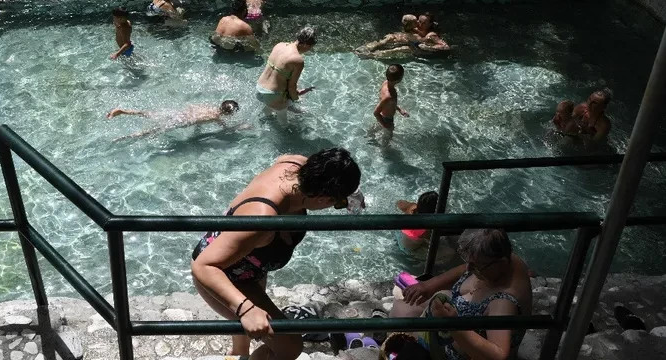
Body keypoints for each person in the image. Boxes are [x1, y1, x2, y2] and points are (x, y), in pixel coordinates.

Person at [191, 148, 361, 360]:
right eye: (338, 203)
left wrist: (351, 194)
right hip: (222, 274)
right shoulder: (262, 219)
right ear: (323, 199)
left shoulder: (296, 164)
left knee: (251, 332)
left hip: (248, 264)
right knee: (289, 347)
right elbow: (203, 265)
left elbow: (285, 159)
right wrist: (246, 309)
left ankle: (237, 353)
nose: (339, 205)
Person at [392, 229, 532, 360]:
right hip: (453, 322)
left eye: (476, 266)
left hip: (453, 349)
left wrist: (453, 325)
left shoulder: (503, 303)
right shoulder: (504, 258)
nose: (469, 269)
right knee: (403, 306)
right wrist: (429, 285)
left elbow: (499, 355)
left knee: (402, 316)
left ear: (501, 263)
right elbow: (465, 269)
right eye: (468, 262)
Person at [256, 27, 317, 123]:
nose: (309, 50)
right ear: (305, 44)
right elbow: (291, 86)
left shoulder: (279, 45)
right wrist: (295, 99)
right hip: (273, 94)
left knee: (271, 106)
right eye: (310, 47)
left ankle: (264, 118)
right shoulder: (298, 60)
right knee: (283, 124)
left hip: (260, 88)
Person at [107, 100, 240, 140]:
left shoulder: (209, 107)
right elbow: (226, 129)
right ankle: (123, 138)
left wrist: (197, 126)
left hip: (178, 113)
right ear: (228, 114)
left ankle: (123, 111)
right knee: (153, 131)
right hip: (181, 121)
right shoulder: (216, 117)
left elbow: (192, 107)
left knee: (149, 114)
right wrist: (240, 127)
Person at [396, 191, 439, 256]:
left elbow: (399, 203)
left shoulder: (412, 207)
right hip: (406, 248)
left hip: (399, 232)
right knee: (450, 252)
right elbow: (432, 240)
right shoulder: (427, 228)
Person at [374, 64, 409, 133]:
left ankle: (370, 136)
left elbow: (388, 103)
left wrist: (399, 110)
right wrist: (385, 125)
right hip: (387, 119)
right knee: (388, 136)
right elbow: (376, 113)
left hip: (383, 115)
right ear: (399, 79)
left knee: (375, 129)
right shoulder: (389, 96)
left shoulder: (385, 83)